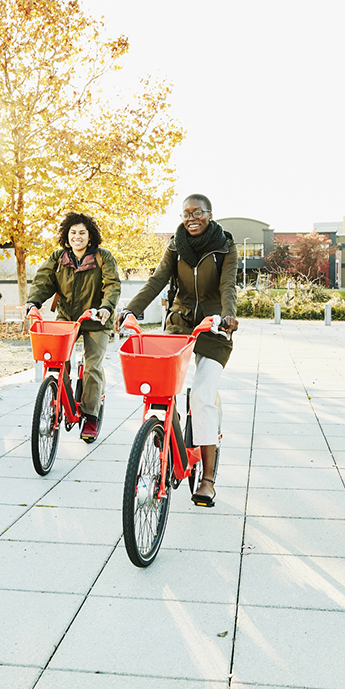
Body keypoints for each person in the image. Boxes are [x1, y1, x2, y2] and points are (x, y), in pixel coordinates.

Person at [118, 194, 238, 507]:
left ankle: (208, 479)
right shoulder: (175, 245)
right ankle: (163, 443)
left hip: (214, 328)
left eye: (197, 212)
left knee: (200, 397)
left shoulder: (224, 246)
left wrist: (228, 315)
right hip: (179, 325)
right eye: (186, 213)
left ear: (209, 214)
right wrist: (131, 309)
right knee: (161, 390)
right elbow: (157, 280)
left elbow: (228, 286)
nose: (191, 218)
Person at [24, 212, 122, 443]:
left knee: (92, 366)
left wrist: (106, 307)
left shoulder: (102, 257)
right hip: (67, 317)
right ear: (67, 235)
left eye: (82, 233)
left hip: (96, 319)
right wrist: (32, 302)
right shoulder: (59, 257)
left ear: (90, 237)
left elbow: (112, 285)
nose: (77, 236)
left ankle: (90, 415)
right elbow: (43, 281)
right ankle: (60, 398)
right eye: (73, 232)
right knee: (57, 361)